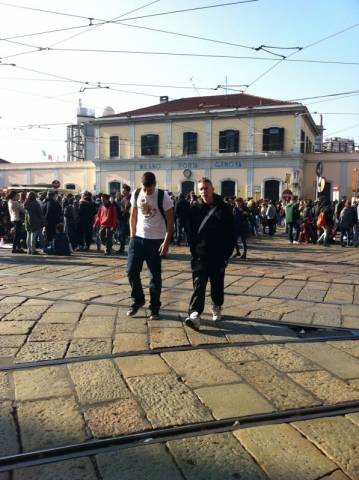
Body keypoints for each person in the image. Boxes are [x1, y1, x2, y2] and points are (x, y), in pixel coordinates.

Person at [185, 177, 235, 331]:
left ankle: (217, 305)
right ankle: (194, 314)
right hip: (200, 255)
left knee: (217, 285)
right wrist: (193, 249)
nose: (204, 192)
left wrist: (227, 254)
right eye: (201, 189)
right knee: (199, 285)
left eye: (206, 188)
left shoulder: (225, 208)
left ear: (212, 189)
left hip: (219, 255)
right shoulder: (194, 209)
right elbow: (190, 232)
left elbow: (231, 233)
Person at [127, 172, 174, 320]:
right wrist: (132, 235)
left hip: (156, 241)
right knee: (131, 271)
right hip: (138, 239)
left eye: (149, 189)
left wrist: (166, 242)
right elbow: (133, 215)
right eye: (144, 188)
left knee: (155, 276)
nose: (147, 192)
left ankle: (154, 307)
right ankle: (138, 300)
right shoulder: (136, 193)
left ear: (155, 184)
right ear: (141, 185)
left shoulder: (163, 196)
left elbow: (170, 222)